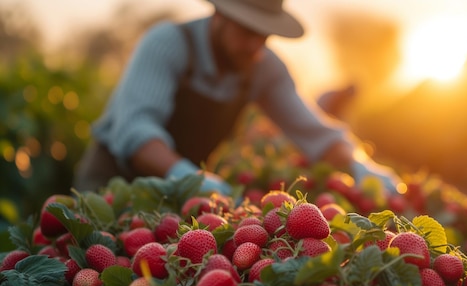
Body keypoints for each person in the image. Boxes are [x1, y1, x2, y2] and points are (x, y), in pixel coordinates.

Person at [73, 0, 400, 196]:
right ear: (220, 15)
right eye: (247, 32)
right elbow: (135, 132)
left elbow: (313, 131)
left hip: (182, 194)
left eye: (264, 35)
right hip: (112, 182)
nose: (255, 46)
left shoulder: (263, 67)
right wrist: (188, 176)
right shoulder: (168, 44)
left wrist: (360, 166)